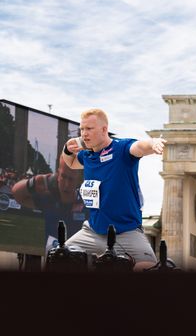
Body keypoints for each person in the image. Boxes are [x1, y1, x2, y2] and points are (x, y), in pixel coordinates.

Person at [62, 108, 166, 271]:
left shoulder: (122, 148)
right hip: (93, 231)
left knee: (148, 267)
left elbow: (139, 147)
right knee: (58, 257)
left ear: (104, 129)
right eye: (82, 129)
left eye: (89, 129)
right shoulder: (87, 156)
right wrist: (67, 150)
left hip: (126, 231)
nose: (84, 134)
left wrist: (153, 143)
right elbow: (71, 162)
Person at [11, 158, 88, 252]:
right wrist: (35, 181)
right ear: (58, 175)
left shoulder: (87, 204)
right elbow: (17, 194)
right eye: (63, 176)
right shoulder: (49, 199)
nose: (66, 184)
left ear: (79, 180)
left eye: (71, 179)